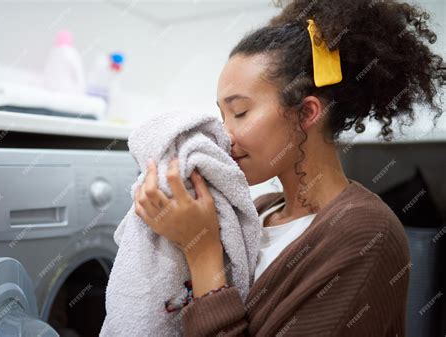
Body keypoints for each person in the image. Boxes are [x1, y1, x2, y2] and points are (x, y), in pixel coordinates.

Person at [134, 0, 445, 335]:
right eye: (223, 117)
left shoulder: (367, 233)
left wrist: (202, 252)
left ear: (307, 113)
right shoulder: (259, 210)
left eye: (240, 113)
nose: (224, 136)